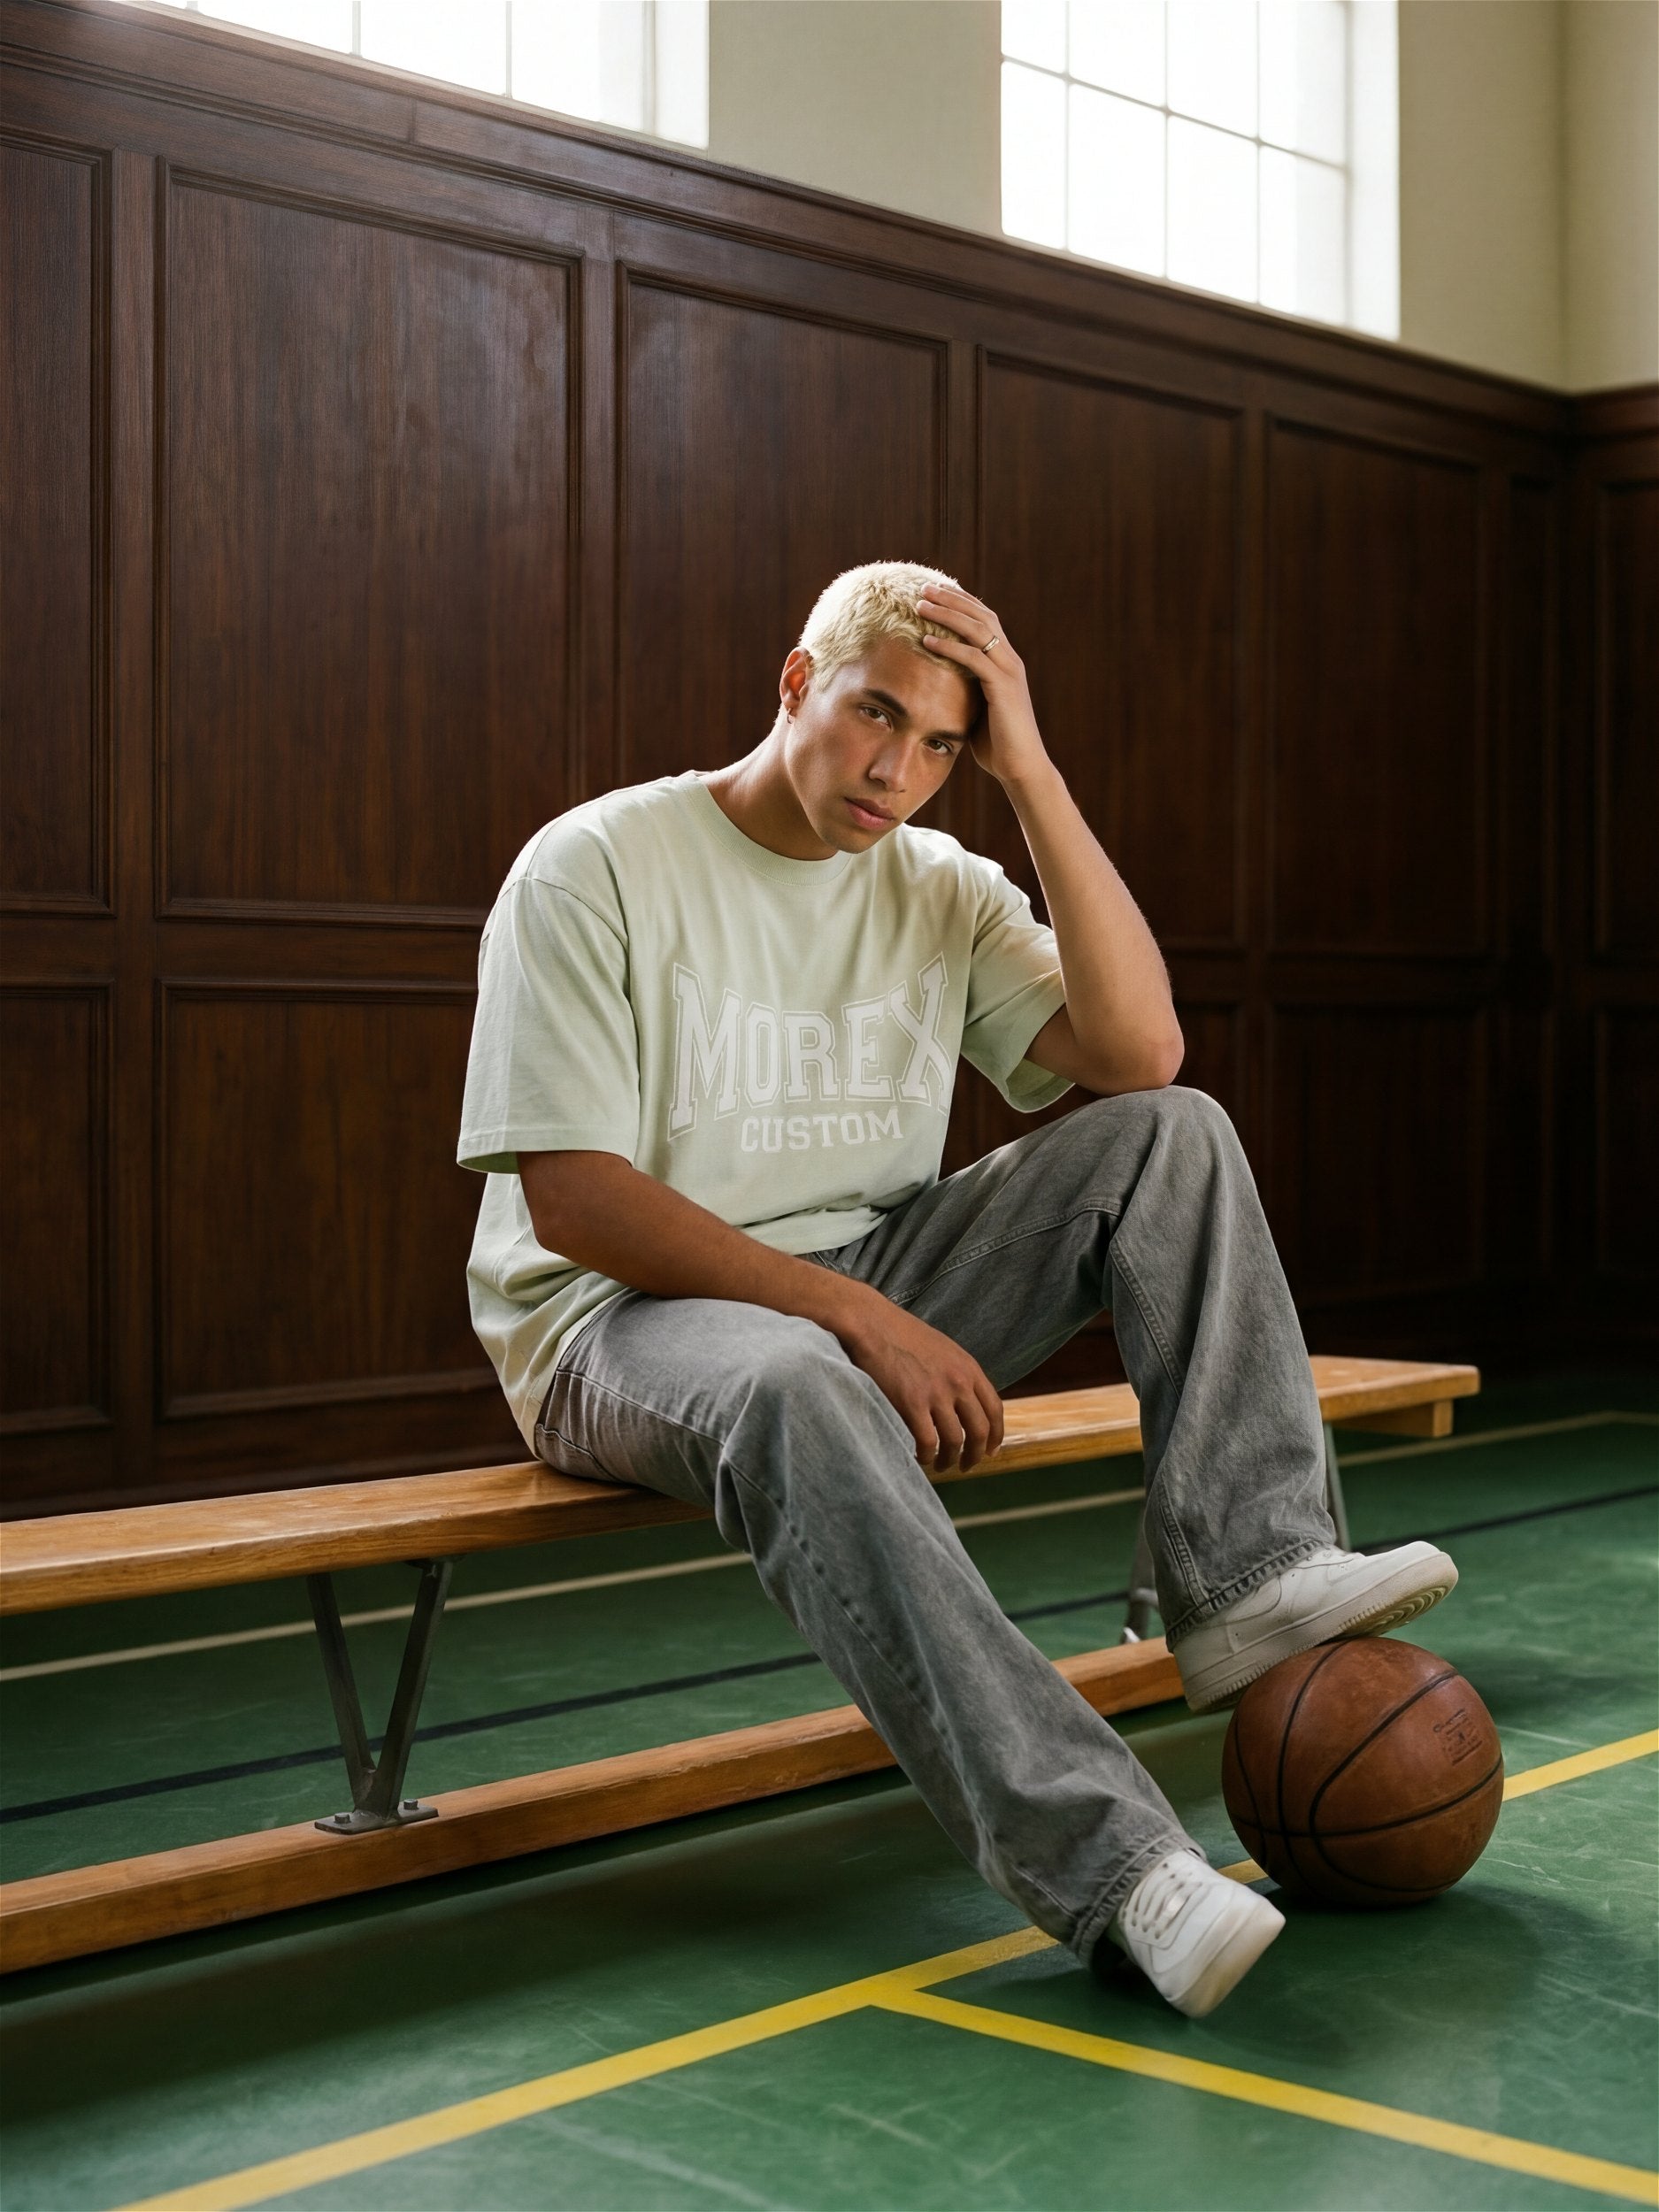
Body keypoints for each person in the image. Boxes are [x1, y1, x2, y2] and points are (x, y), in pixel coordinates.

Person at [457, 561, 1457, 2017]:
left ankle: (1251, 1575)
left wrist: (1033, 774)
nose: (897, 771)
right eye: (876, 716)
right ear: (797, 684)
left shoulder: (938, 882)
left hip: (864, 1272)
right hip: (610, 1322)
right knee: (799, 1375)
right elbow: (577, 1199)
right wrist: (853, 1315)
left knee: (1171, 1140)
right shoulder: (595, 864)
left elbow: (1140, 1058)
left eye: (941, 747)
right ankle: (1115, 1869)